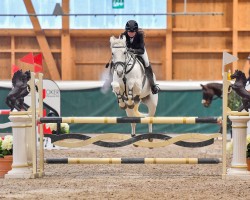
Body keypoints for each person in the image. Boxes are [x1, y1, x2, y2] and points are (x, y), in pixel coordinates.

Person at [119, 20, 159, 94]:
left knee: (146, 62)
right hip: (127, 53)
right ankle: (110, 79)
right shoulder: (122, 36)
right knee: (117, 61)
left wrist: (133, 51)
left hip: (139, 51)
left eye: (133, 32)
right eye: (129, 32)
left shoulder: (139, 35)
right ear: (126, 31)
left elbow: (142, 50)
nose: (131, 34)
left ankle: (153, 85)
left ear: (136, 31)